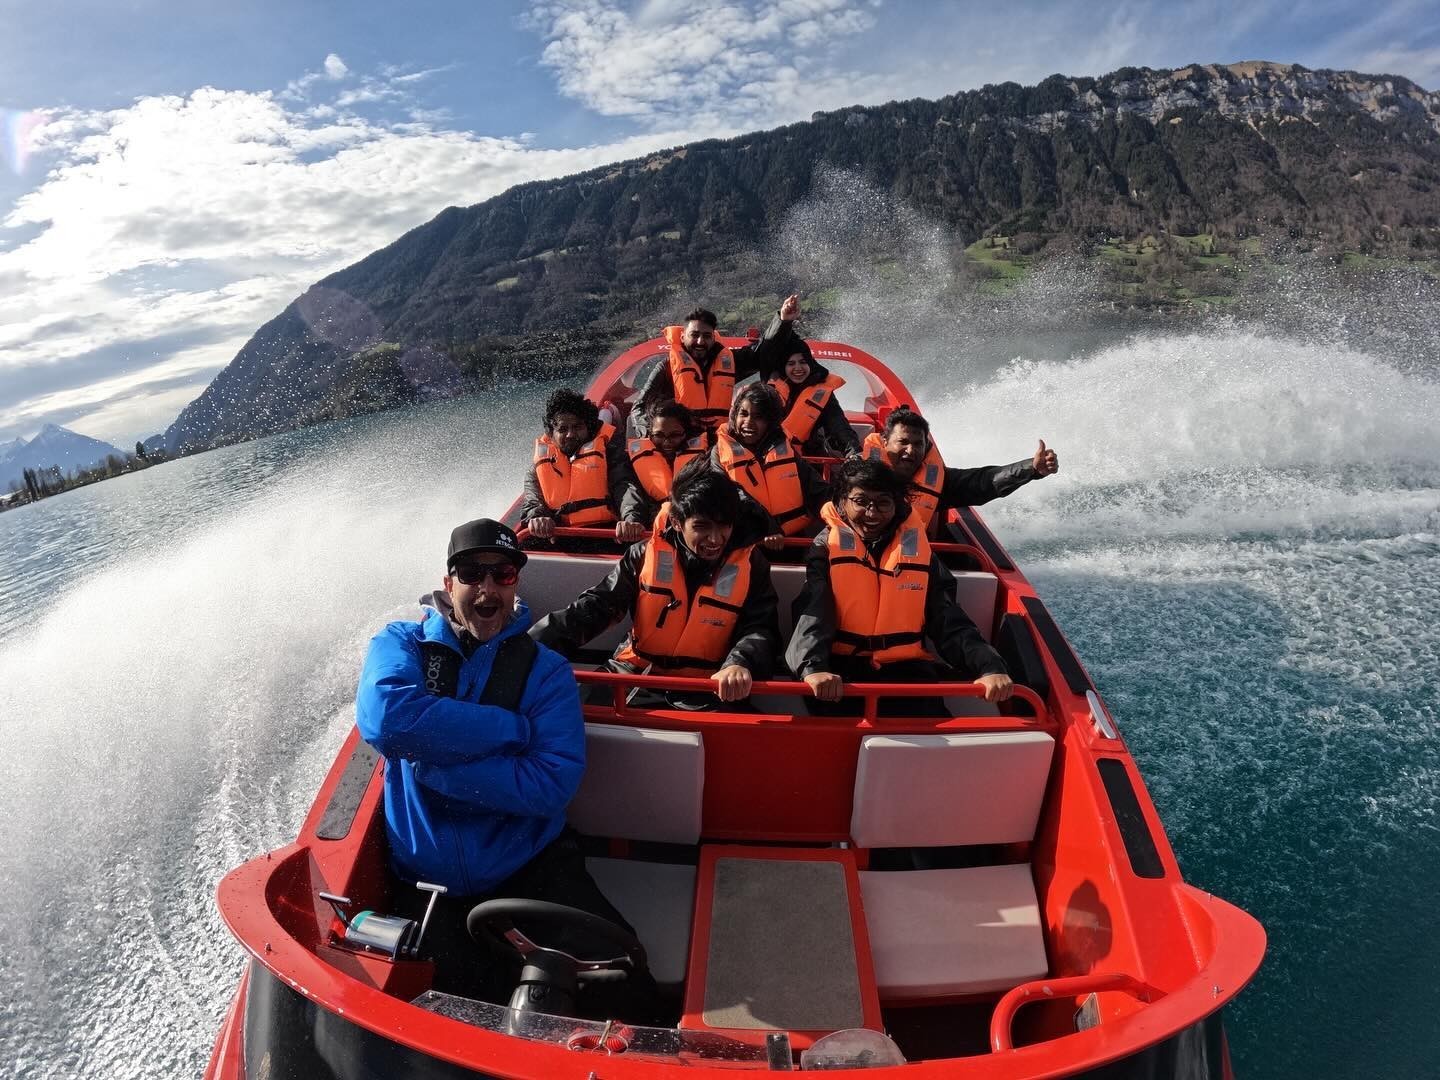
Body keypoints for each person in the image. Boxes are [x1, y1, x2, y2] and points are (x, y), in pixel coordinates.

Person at [355, 519, 657, 1015]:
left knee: (625, 980)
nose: (488, 588)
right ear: (449, 584)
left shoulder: (546, 671)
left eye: (503, 575)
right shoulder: (400, 644)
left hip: (531, 865)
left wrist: (434, 771)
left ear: (516, 585)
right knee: (446, 1019)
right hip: (428, 887)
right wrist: (510, 730)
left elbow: (550, 784)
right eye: (473, 574)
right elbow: (389, 721)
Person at [532, 462, 780, 709]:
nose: (715, 539)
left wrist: (740, 662)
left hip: (711, 686)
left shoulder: (752, 564)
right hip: (634, 673)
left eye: (724, 525)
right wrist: (529, 646)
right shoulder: (641, 555)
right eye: (701, 527)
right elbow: (596, 607)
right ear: (677, 521)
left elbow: (761, 627)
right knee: (564, 714)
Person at [786, 458, 1014, 716]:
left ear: (896, 505)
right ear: (841, 502)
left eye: (883, 503)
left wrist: (989, 666)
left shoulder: (919, 552)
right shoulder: (825, 547)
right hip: (840, 671)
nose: (872, 513)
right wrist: (813, 668)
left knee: (934, 735)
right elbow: (812, 610)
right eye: (861, 502)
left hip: (909, 671)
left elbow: (948, 618)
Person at [861, 407, 1059, 535]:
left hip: (908, 564)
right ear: (885, 441)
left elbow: (985, 481)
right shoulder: (856, 476)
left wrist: (1031, 468)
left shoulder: (940, 480)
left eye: (917, 444)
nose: (910, 450)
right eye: (903, 442)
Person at [634, 294, 803, 432]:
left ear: (714, 337)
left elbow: (762, 352)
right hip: (681, 445)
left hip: (718, 445)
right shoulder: (666, 368)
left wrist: (784, 320)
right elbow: (639, 408)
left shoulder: (729, 362)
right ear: (683, 336)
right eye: (694, 335)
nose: (700, 341)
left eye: (706, 336)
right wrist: (652, 433)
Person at [521, 388, 645, 544]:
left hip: (610, 536)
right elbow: (532, 501)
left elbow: (625, 487)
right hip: (560, 536)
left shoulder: (611, 455)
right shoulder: (537, 468)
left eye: (577, 427)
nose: (570, 434)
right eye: (563, 429)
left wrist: (631, 518)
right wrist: (537, 518)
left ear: (588, 428)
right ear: (552, 434)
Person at [708, 383, 829, 541]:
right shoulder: (718, 452)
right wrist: (769, 528)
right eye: (743, 414)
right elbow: (730, 494)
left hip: (790, 538)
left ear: (770, 422)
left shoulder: (784, 450)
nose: (748, 422)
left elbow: (817, 488)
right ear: (734, 415)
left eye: (758, 417)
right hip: (743, 538)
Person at [764, 336, 861, 458]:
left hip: (807, 457)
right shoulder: (768, 391)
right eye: (791, 364)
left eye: (803, 362)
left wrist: (853, 452)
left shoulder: (823, 392)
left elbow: (838, 425)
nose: (798, 368)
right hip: (770, 454)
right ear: (783, 367)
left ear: (811, 363)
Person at [618, 399, 708, 529]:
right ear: (649, 434)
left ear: (686, 433)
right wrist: (633, 520)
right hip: (651, 529)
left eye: (675, 435)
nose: (666, 443)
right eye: (658, 435)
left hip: (692, 527)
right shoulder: (631, 461)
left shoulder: (706, 460)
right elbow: (630, 493)